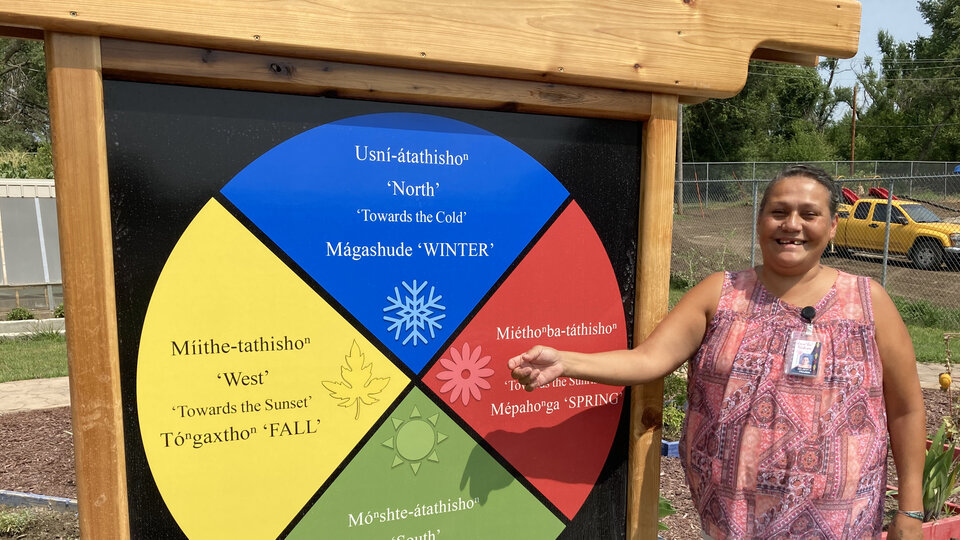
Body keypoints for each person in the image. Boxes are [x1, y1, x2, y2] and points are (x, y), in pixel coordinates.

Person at [509, 165, 925, 539]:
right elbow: (648, 359)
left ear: (833, 225)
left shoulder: (869, 302)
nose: (792, 224)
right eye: (778, 211)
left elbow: (906, 409)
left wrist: (910, 508)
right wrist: (566, 361)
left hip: (839, 523)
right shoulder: (721, 293)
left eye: (809, 214)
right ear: (760, 220)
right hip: (733, 521)